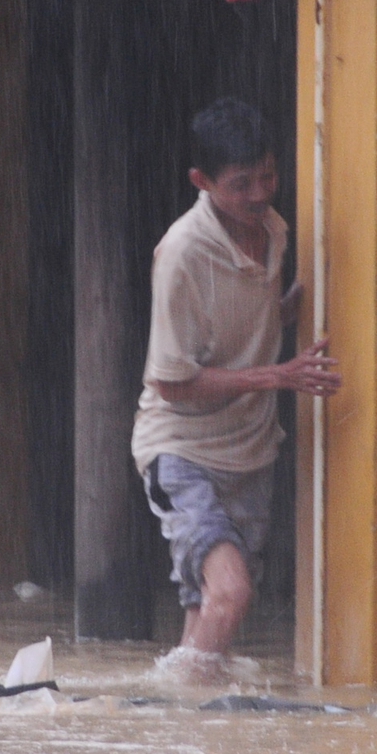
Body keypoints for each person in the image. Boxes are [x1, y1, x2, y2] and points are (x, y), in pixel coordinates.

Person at [132, 98, 340, 676]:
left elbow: (254, 313)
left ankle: (185, 739)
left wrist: (306, 303)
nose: (259, 194)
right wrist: (279, 375)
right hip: (183, 451)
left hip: (250, 451)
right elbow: (173, 384)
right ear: (201, 182)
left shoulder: (272, 229)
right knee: (232, 593)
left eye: (269, 176)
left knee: (207, 611)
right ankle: (172, 714)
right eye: (241, 184)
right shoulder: (182, 253)